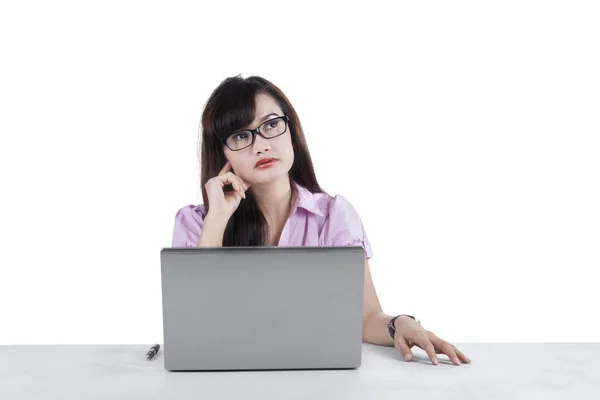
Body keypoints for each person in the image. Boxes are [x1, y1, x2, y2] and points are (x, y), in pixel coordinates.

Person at [171, 74, 471, 366]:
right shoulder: (197, 222)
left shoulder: (333, 215)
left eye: (271, 125)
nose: (260, 145)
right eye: (240, 135)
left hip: (317, 379)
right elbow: (192, 327)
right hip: (221, 382)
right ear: (221, 152)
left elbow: (364, 317)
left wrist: (401, 323)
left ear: (291, 129)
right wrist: (218, 216)